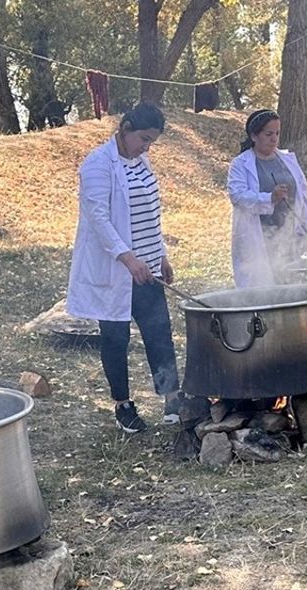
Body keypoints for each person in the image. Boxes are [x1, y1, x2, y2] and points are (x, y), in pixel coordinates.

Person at [66, 102, 181, 433]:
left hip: (147, 266)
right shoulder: (97, 165)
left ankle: (172, 397)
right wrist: (128, 258)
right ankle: (123, 404)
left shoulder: (141, 161)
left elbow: (150, 214)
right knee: (116, 337)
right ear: (125, 128)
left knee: (159, 332)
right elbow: (99, 219)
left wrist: (160, 254)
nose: (147, 147)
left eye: (151, 142)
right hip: (115, 270)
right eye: (144, 139)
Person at [227, 109, 307, 288]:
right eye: (268, 134)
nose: (274, 139)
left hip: (289, 233)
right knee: (264, 288)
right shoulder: (240, 164)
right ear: (254, 136)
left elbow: (303, 196)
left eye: (277, 133)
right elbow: (237, 196)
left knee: (291, 284)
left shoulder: (288, 160)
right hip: (258, 235)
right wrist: (270, 198)